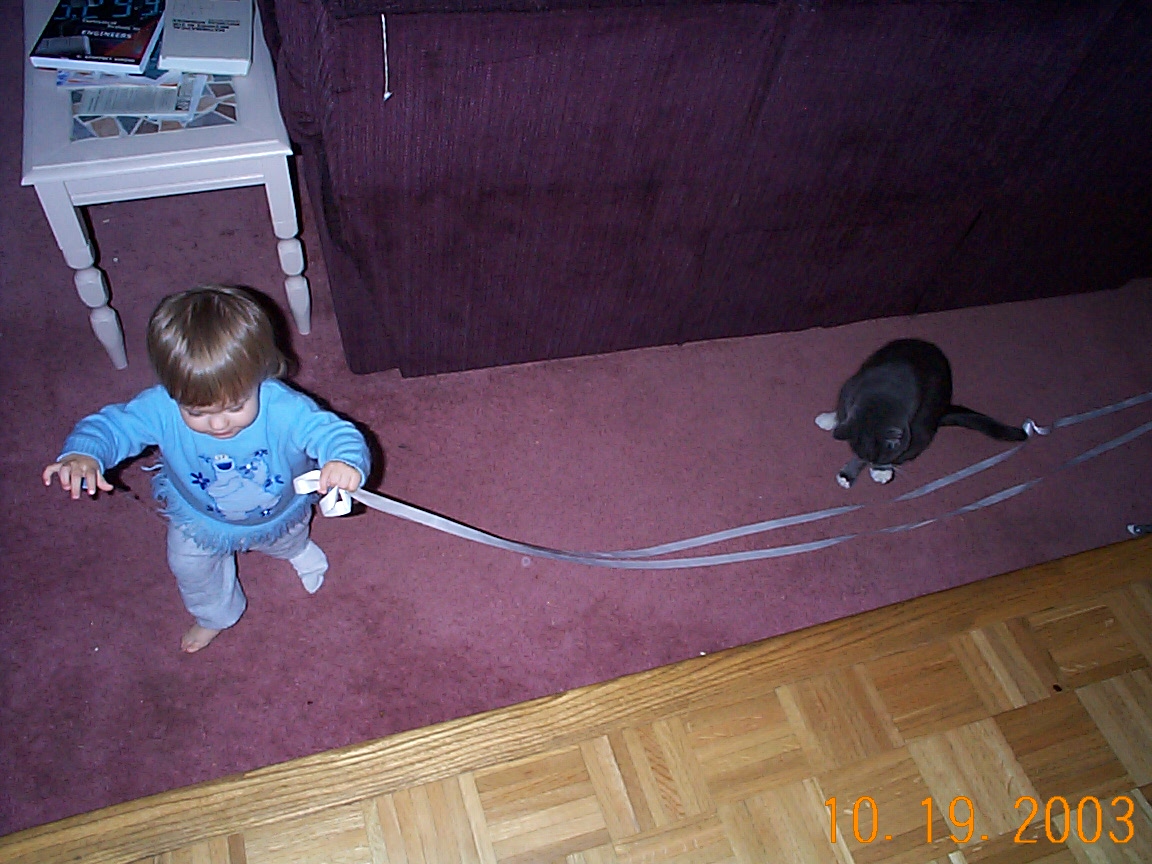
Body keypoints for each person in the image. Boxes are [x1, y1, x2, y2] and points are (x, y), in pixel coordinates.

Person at [43, 286, 371, 653]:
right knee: (190, 569)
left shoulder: (285, 408)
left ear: (260, 373)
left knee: (287, 538)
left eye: (235, 406)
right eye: (197, 412)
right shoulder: (160, 407)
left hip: (280, 510)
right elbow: (113, 427)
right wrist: (84, 454)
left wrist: (344, 461)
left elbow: (333, 433)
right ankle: (216, 615)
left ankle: (295, 550)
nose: (218, 424)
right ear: (170, 389)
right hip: (198, 519)